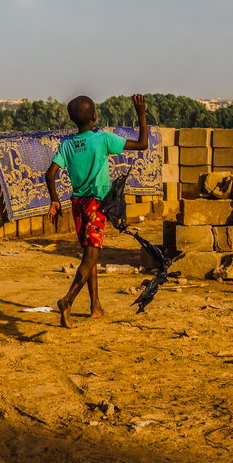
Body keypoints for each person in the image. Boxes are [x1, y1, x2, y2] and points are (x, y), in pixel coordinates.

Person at [45, 94, 149, 328]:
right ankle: (67, 300)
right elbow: (142, 144)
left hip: (78, 204)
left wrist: (54, 200)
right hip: (95, 205)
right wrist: (141, 112)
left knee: (88, 256)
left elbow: (50, 174)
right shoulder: (102, 139)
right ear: (94, 115)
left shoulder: (67, 144)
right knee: (91, 256)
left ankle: (96, 307)